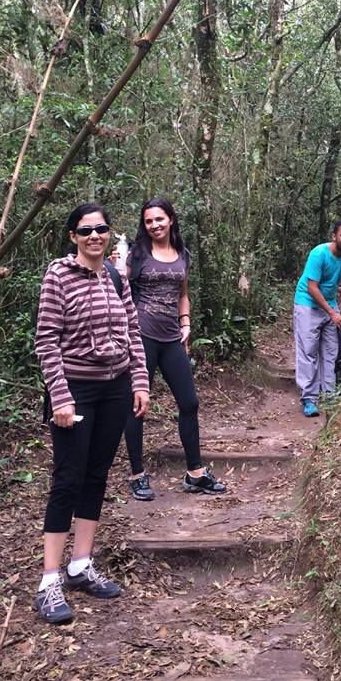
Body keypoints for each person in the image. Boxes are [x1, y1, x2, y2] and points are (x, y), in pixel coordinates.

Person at [34, 204, 150, 625]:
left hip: (115, 388)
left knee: (97, 474)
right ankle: (49, 581)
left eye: (101, 228)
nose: (95, 236)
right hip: (75, 390)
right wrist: (60, 397)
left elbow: (132, 331)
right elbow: (47, 340)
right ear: (73, 236)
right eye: (86, 230)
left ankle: (80, 565)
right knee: (68, 478)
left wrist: (140, 381)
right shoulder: (59, 276)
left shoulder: (116, 276)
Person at [122, 197, 226, 499]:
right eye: (148, 221)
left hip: (171, 337)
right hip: (140, 334)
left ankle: (195, 473)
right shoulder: (136, 254)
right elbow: (117, 286)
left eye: (159, 219)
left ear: (171, 219)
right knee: (137, 405)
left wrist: (186, 323)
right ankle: (137, 474)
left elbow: (183, 293)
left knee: (189, 402)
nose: (154, 225)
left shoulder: (183, 254)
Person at [293, 221, 341, 417]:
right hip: (307, 304)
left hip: (330, 304)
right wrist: (332, 313)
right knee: (308, 352)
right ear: (334, 236)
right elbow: (312, 287)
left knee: (331, 351)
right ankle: (309, 398)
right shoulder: (319, 254)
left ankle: (329, 395)